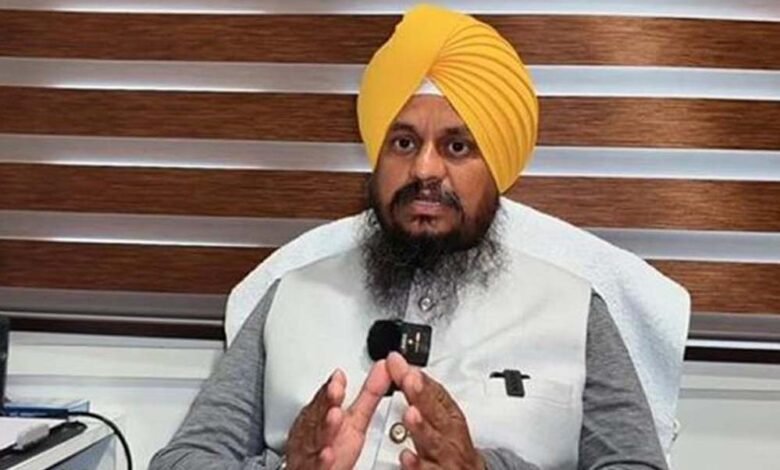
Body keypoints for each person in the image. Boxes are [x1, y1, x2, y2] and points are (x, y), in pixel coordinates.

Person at [149, 4, 668, 470]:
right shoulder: (291, 295)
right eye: (403, 142)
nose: (424, 169)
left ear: (498, 170)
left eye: (457, 147)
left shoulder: (574, 312)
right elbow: (181, 460)